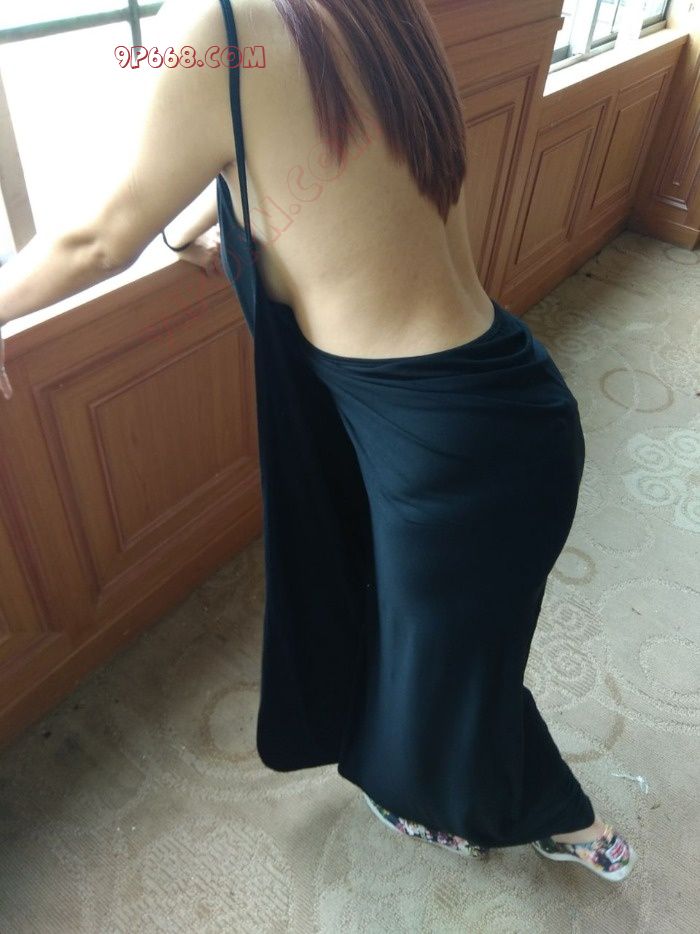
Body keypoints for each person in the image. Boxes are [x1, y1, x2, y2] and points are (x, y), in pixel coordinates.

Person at [0, 0, 637, 883]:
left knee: (453, 671)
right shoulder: (374, 10)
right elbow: (270, 158)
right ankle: (433, 783)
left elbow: (95, 239)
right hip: (501, 407)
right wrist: (192, 224)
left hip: (450, 459)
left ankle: (552, 815)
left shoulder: (224, 31)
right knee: (421, 642)